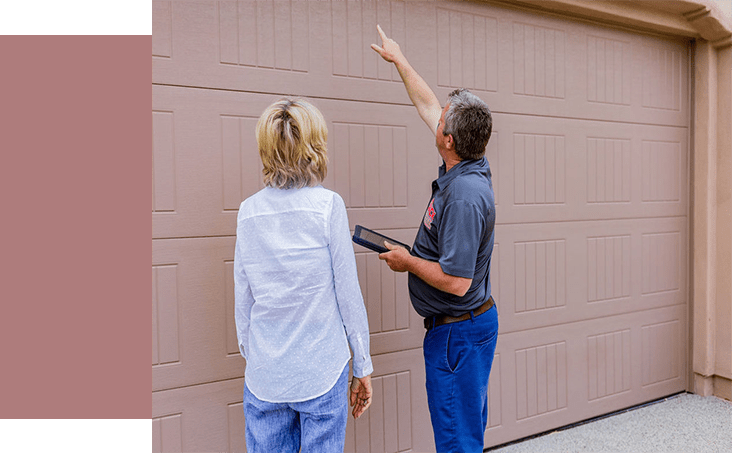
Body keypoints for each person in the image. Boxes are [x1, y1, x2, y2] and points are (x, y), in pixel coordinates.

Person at [371, 25, 498, 452]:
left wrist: (406, 261)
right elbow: (426, 103)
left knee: (457, 440)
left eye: (442, 117)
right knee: (465, 431)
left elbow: (457, 281)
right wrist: (400, 59)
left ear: (448, 139)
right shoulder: (467, 159)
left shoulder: (463, 196)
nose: (436, 114)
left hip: (456, 336)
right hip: (466, 328)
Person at [234, 98, 373, 453]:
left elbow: (243, 299)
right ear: (314, 146)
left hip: (266, 376)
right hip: (320, 371)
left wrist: (258, 358)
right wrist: (362, 364)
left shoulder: (248, 212)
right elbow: (347, 292)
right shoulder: (327, 206)